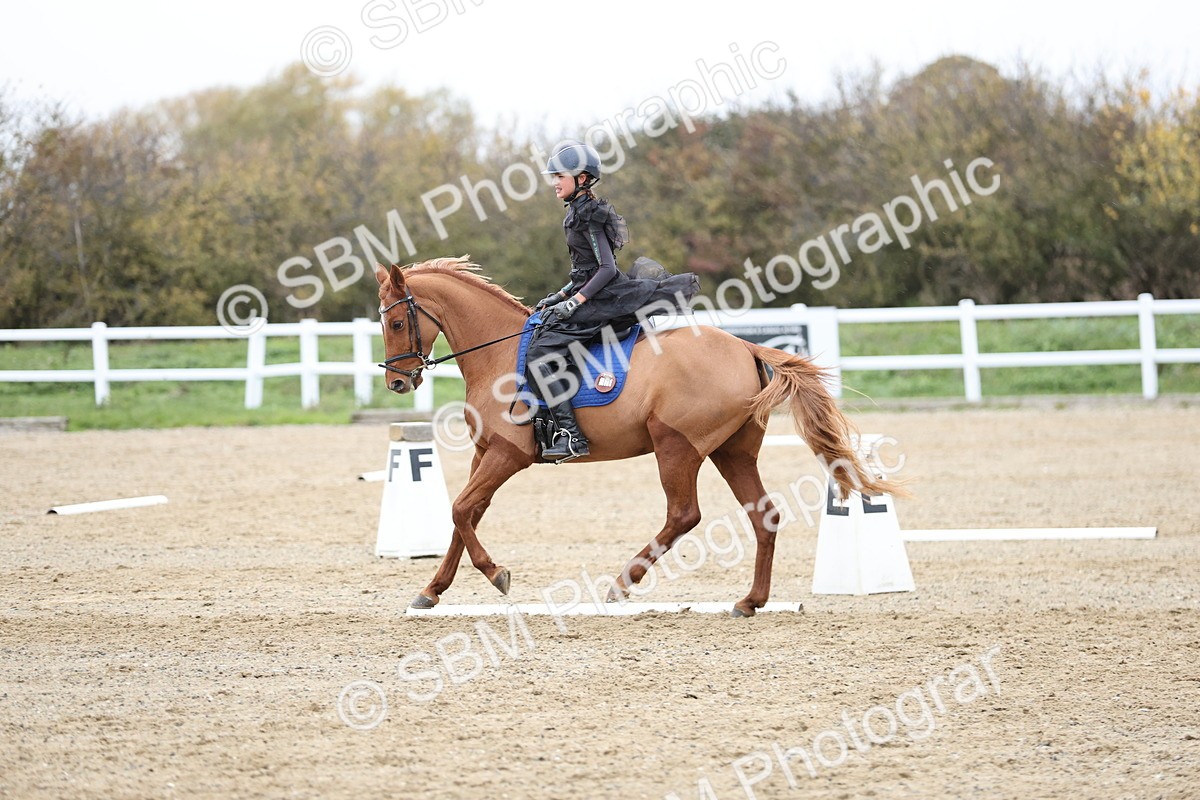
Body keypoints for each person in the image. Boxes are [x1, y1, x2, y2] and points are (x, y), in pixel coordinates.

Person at [527, 140, 700, 461]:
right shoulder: (575, 212)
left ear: (581, 178)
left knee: (539, 353)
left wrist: (575, 301)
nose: (554, 183)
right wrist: (560, 295)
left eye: (559, 176)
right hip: (589, 294)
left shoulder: (590, 214)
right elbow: (584, 271)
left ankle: (570, 435)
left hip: (604, 299)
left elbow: (606, 269)